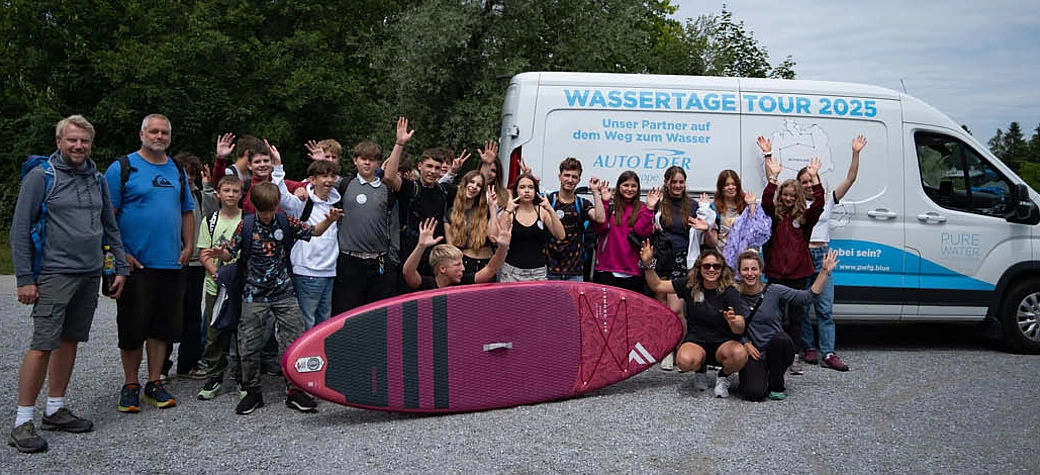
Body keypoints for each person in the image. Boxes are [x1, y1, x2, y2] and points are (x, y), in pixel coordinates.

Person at [8, 115, 129, 453]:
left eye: (84, 141)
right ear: (59, 141)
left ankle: (55, 408)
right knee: (43, 344)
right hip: (54, 273)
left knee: (70, 340)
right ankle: (22, 421)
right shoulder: (41, 177)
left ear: (91, 144)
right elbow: (19, 229)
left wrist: (119, 266)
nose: (78, 146)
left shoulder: (97, 179)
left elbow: (109, 226)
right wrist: (25, 279)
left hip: (89, 273)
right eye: (72, 140)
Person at [211, 182, 341, 414]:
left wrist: (329, 220)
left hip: (284, 292)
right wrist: (222, 254)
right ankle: (252, 391)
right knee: (248, 344)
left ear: (276, 206)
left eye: (271, 209)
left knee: (296, 341)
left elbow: (314, 231)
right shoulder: (246, 226)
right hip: (254, 295)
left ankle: (296, 390)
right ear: (256, 207)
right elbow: (230, 253)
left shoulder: (284, 221)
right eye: (264, 211)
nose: (268, 215)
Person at [105, 114, 195, 413]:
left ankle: (154, 382)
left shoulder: (176, 169)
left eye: (164, 132)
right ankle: (130, 384)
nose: (159, 136)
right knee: (132, 327)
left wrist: (189, 245)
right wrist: (119, 254)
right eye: (154, 131)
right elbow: (107, 216)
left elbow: (186, 210)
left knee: (162, 328)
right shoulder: (122, 168)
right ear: (142, 134)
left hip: (170, 262)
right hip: (135, 263)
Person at [640, 246, 748, 398]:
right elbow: (657, 285)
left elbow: (740, 328)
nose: (711, 269)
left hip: (723, 343)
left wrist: (733, 321)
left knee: (740, 354)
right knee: (684, 361)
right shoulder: (690, 285)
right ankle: (700, 369)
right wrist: (648, 263)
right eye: (707, 266)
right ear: (699, 268)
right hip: (697, 341)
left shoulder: (730, 292)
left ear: (722, 269)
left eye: (716, 266)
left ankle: (723, 376)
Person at [798, 135, 866, 372]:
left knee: (825, 309)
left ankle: (828, 352)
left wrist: (855, 153)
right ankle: (808, 348)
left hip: (823, 258)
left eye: (811, 180)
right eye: (804, 182)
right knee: (802, 308)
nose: (808, 185)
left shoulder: (828, 201)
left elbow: (851, 178)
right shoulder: (795, 204)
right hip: (802, 258)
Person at [331, 117, 411, 314]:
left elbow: (393, 223)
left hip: (379, 262)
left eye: (372, 159)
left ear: (378, 163)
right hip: (348, 261)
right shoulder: (343, 184)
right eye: (362, 158)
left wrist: (399, 143)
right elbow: (317, 184)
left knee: (377, 315)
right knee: (346, 313)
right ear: (355, 161)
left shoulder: (387, 188)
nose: (367, 162)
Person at [759, 136, 825, 375]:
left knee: (796, 318)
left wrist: (815, 179)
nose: (788, 198)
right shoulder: (775, 215)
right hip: (776, 273)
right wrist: (773, 178)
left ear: (797, 197)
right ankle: (775, 352)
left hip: (798, 274)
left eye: (792, 195)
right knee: (774, 316)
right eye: (785, 194)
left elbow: (819, 204)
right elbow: (766, 201)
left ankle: (794, 356)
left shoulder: (804, 218)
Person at [736, 249, 838, 401]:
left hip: (777, 348)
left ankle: (777, 384)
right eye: (745, 269)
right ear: (739, 272)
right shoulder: (735, 296)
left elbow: (807, 297)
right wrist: (744, 343)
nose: (750, 273)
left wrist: (824, 272)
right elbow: (728, 327)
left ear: (761, 270)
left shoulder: (774, 291)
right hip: (753, 352)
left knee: (781, 339)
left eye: (754, 269)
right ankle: (760, 376)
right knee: (754, 393)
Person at [273, 158, 341, 329]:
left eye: (332, 176)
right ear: (312, 180)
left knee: (324, 322)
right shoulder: (303, 203)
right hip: (307, 271)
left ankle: (320, 348)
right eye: (324, 176)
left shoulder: (335, 203)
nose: (329, 181)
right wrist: (278, 167)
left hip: (329, 271)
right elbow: (281, 197)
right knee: (307, 321)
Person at [194, 176, 245, 400]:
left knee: (242, 332)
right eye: (227, 190)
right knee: (214, 332)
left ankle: (243, 375)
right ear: (218, 194)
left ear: (241, 194)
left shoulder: (247, 220)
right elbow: (204, 253)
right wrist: (217, 273)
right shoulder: (210, 221)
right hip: (215, 286)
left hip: (240, 287)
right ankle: (215, 374)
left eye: (235, 191)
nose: (231, 195)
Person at [403, 217, 512, 290]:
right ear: (442, 269)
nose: (463, 268)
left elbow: (490, 269)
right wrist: (421, 246)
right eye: (457, 265)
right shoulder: (426, 284)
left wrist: (503, 247)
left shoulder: (463, 281)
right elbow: (407, 272)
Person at [397, 148, 458, 276]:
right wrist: (399, 144)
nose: (433, 171)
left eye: (437, 168)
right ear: (420, 166)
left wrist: (487, 165)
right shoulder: (411, 188)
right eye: (429, 166)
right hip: (411, 252)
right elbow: (389, 177)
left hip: (436, 255)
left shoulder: (444, 191)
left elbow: (474, 189)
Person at [593, 171, 656, 293]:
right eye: (626, 185)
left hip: (632, 270)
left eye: (633, 186)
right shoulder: (611, 205)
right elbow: (600, 228)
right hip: (607, 268)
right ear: (619, 186)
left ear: (638, 188)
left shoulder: (643, 208)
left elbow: (642, 232)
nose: (629, 189)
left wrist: (650, 209)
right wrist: (604, 202)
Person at [545, 158, 606, 281]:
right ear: (559, 177)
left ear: (579, 180)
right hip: (549, 269)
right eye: (566, 175)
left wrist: (595, 191)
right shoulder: (548, 200)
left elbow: (600, 218)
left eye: (574, 177)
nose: (570, 180)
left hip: (574, 271)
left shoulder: (582, 203)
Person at [497, 173, 565, 282]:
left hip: (538, 273)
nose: (527, 190)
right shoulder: (511, 212)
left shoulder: (542, 211)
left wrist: (550, 209)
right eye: (522, 187)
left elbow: (560, 235)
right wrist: (508, 210)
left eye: (531, 187)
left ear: (536, 191)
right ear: (516, 191)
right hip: (512, 272)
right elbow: (498, 235)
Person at [444, 170, 501, 275]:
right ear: (464, 184)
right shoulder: (450, 212)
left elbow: (494, 238)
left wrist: (493, 209)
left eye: (479, 185)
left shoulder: (485, 211)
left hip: (486, 265)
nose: (474, 186)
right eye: (471, 182)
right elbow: (451, 247)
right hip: (464, 264)